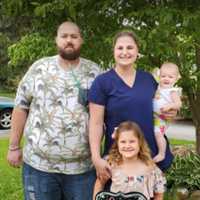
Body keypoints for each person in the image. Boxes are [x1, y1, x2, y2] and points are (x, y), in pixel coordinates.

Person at [7, 21, 101, 200]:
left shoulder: (95, 72)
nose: (69, 40)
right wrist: (13, 146)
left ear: (81, 40)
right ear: (56, 40)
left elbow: (106, 112)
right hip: (39, 167)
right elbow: (21, 106)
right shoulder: (39, 68)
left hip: (82, 170)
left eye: (74, 36)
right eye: (64, 36)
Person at [88, 31, 177, 183]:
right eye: (120, 48)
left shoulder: (148, 79)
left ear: (137, 51)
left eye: (130, 47)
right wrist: (96, 158)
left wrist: (172, 111)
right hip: (119, 159)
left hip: (151, 157)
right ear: (114, 51)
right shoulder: (102, 82)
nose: (124, 52)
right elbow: (96, 124)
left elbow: (163, 105)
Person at [93, 121, 166, 200]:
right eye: (123, 142)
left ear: (140, 142)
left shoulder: (150, 168)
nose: (127, 146)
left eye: (132, 141)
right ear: (117, 144)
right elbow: (99, 183)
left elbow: (159, 195)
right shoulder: (111, 164)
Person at [153, 62, 182, 163]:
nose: (166, 79)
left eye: (170, 77)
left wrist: (170, 106)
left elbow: (178, 104)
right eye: (163, 76)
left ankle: (162, 153)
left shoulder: (172, 91)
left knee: (158, 133)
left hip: (162, 118)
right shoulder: (158, 88)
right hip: (155, 116)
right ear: (159, 76)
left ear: (176, 78)